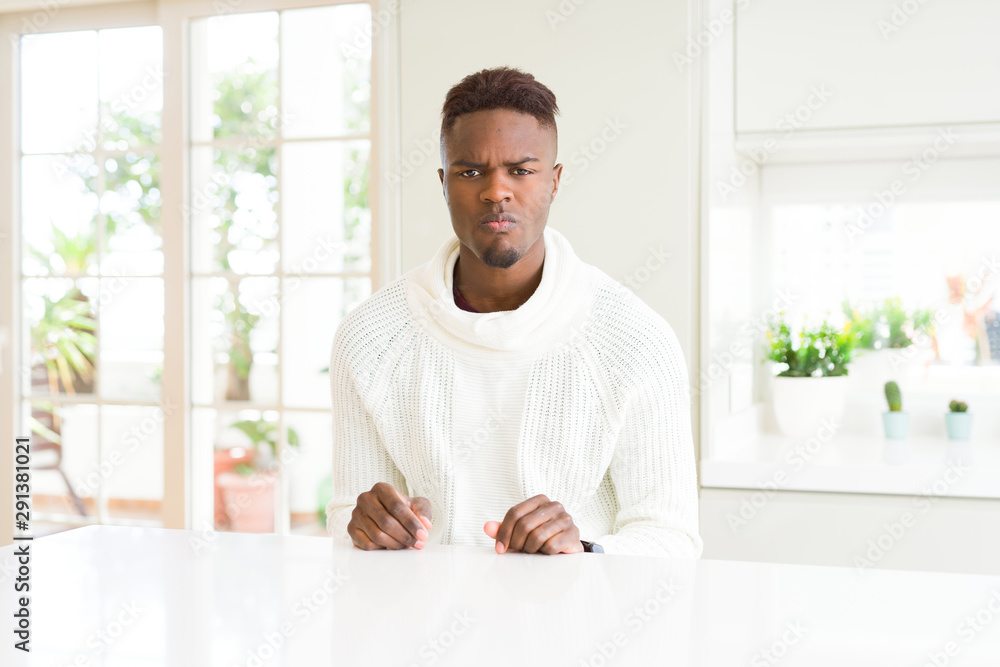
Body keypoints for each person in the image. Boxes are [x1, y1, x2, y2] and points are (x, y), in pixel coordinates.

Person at [325, 66, 702, 557]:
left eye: (521, 170)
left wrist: (584, 550)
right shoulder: (369, 336)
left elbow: (673, 540)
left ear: (554, 181)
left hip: (579, 626)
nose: (495, 191)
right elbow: (349, 524)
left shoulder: (633, 338)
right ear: (443, 183)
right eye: (470, 171)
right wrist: (366, 528)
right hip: (421, 626)